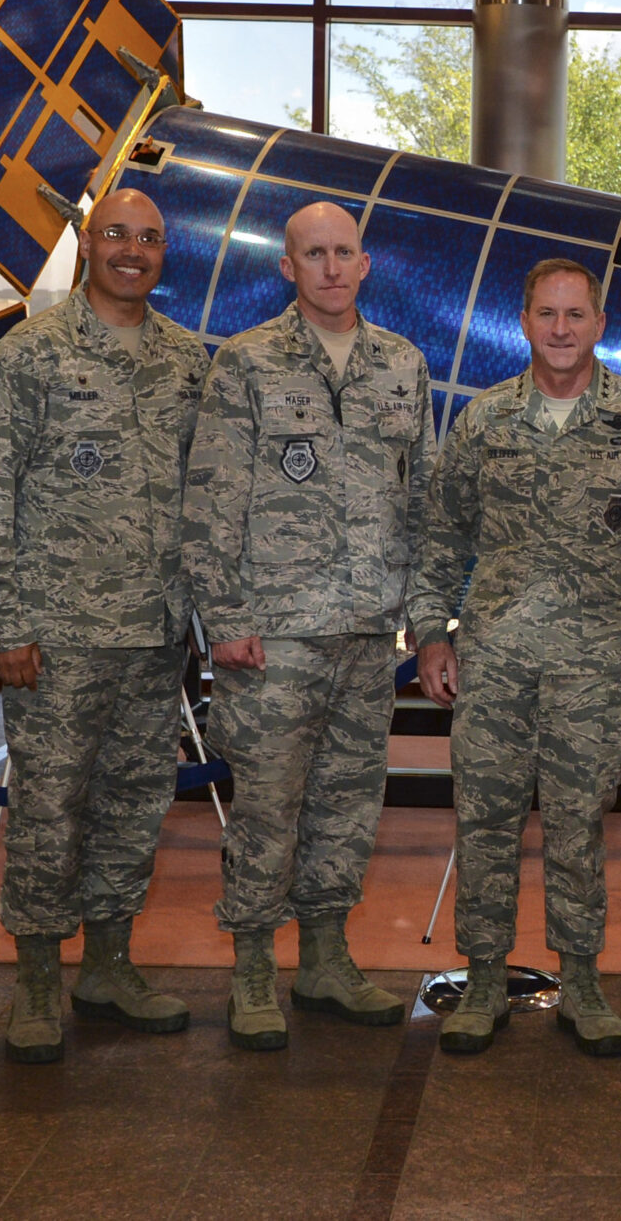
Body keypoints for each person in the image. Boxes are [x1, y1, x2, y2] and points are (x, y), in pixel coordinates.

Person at [410, 258, 621, 1058]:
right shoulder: (484, 421)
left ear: (600, 324)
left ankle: (581, 981)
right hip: (495, 663)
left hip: (597, 665)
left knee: (579, 826)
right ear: (525, 320)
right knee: (485, 823)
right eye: (547, 313)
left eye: (577, 314)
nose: (562, 328)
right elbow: (441, 532)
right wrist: (431, 633)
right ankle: (481, 982)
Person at [0, 188, 209, 1063]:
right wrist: (2, 622)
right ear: (87, 244)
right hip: (56, 636)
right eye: (117, 235)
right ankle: (33, 983)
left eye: (150, 237)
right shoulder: (33, 353)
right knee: (49, 809)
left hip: (153, 632)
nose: (133, 250)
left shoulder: (183, 359)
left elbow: (205, 491)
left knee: (134, 805)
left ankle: (108, 965)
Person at [182, 200, 433, 1051]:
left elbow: (423, 499)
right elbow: (211, 500)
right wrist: (226, 617)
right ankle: (254, 970)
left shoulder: (403, 365)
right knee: (265, 806)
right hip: (273, 634)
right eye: (313, 254)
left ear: (367, 264)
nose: (331, 267)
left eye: (345, 252)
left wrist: (421, 616)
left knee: (347, 801)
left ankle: (325, 958)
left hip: (367, 631)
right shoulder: (247, 364)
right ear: (287, 268)